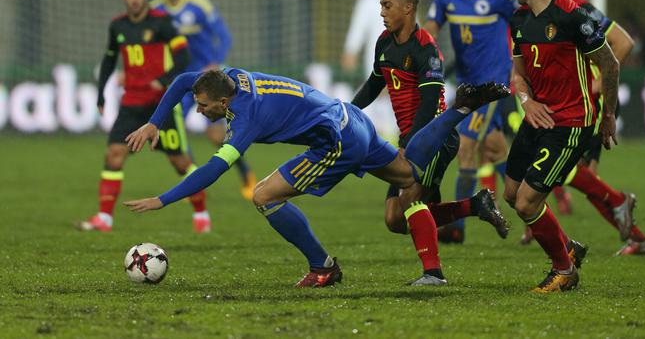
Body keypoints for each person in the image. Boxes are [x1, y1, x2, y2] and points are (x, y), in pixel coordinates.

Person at [122, 68, 509, 287]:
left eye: (204, 107)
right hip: (350, 118)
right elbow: (180, 83)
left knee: (264, 196)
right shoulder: (230, 77)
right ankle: (460, 114)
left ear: (223, 103)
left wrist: (163, 199)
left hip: (335, 143)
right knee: (408, 174)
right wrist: (155, 123)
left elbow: (213, 170)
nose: (199, 111)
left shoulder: (246, 118)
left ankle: (323, 266)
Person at [350, 0, 509, 239]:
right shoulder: (384, 43)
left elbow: (429, 103)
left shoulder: (426, 48)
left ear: (408, 8)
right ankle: (474, 206)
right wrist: (346, 112)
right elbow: (373, 85)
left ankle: (432, 274)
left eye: (387, 6)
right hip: (409, 137)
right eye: (381, 6)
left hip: (435, 138)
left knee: (409, 204)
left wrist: (410, 144)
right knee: (394, 219)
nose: (381, 12)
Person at [505, 0, 622, 292]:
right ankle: (566, 247)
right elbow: (518, 74)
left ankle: (564, 269)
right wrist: (526, 101)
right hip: (536, 119)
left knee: (528, 201)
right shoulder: (519, 20)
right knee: (512, 195)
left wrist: (608, 115)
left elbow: (610, 64)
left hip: (570, 124)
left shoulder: (574, 18)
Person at [519, 0, 645, 256]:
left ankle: (620, 209)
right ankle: (635, 234)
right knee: (581, 176)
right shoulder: (539, 13)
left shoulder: (578, 9)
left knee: (571, 171)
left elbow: (624, 43)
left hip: (586, 104)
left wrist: (597, 84)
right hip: (571, 105)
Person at [77, 0, 211, 233]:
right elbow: (109, 59)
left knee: (180, 163)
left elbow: (184, 58)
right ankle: (104, 218)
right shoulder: (118, 26)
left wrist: (162, 80)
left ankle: (201, 214)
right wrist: (101, 91)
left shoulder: (163, 23)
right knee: (114, 156)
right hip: (130, 104)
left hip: (160, 106)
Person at [424, 0, 517, 243]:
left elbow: (523, 22)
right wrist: (423, 49)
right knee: (495, 149)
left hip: (492, 85)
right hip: (467, 84)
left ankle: (456, 228)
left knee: (465, 148)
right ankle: (531, 207)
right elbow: (432, 27)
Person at [151, 0, 257, 202]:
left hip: (206, 81)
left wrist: (216, 62)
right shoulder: (155, 10)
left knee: (216, 136)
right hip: (178, 82)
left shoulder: (200, 6)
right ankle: (195, 183)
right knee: (176, 137)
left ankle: (246, 175)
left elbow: (224, 37)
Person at [341, 0, 398, 140]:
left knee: (395, 99)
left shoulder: (403, 1)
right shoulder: (366, 1)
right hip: (374, 60)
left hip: (401, 58)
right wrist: (350, 51)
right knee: (376, 97)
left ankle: (395, 143)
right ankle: (376, 141)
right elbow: (357, 28)